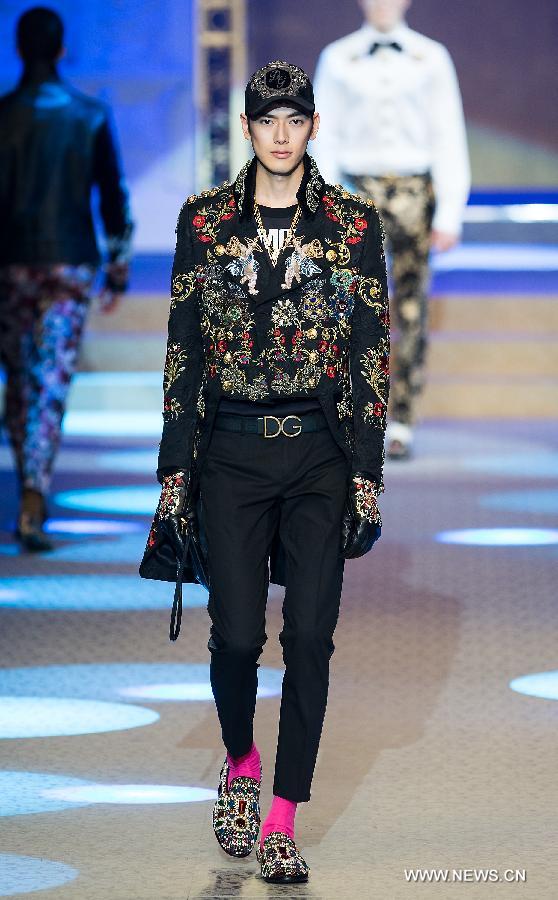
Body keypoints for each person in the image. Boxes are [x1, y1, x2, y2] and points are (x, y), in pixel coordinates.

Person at [140, 60, 389, 884]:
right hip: (232, 454)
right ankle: (241, 761)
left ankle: (283, 816)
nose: (281, 135)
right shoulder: (204, 221)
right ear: (246, 128)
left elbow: (371, 351)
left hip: (319, 451)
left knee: (310, 637)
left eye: (295, 119)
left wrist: (366, 472)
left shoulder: (353, 224)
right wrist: (176, 468)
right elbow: (182, 349)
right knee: (239, 637)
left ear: (314, 125)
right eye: (267, 120)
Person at [0, 6, 133, 550]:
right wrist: (118, 266)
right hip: (69, 262)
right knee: (50, 377)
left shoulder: (2, 115)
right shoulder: (89, 114)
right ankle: (35, 491)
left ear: (17, 48)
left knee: (19, 378)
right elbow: (113, 195)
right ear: (61, 50)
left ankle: (29, 486)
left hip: (10, 263)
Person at [313, 0, 470, 459]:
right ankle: (351, 417)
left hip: (414, 192)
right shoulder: (337, 57)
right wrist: (325, 202)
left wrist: (450, 213)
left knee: (411, 307)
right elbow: (323, 135)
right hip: (355, 191)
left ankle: (402, 421)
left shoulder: (431, 57)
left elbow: (447, 134)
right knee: (347, 308)